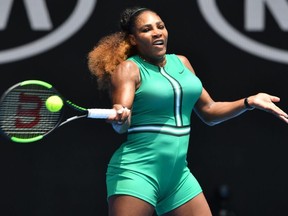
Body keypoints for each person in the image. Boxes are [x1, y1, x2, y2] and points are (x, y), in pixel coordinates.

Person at [87, 6, 288, 216]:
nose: (157, 32)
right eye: (147, 29)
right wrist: (120, 117)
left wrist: (249, 102)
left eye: (160, 26)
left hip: (178, 177)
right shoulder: (129, 69)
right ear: (133, 39)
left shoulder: (181, 63)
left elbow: (209, 111)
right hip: (137, 172)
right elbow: (122, 119)